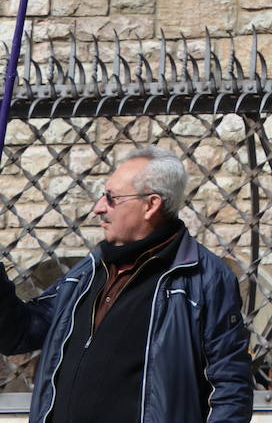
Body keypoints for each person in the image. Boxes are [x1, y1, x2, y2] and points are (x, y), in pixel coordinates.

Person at [0, 144, 253, 422]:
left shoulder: (202, 278)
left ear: (151, 205)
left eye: (111, 198)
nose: (98, 208)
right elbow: (20, 333)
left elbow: (229, 388)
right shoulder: (90, 270)